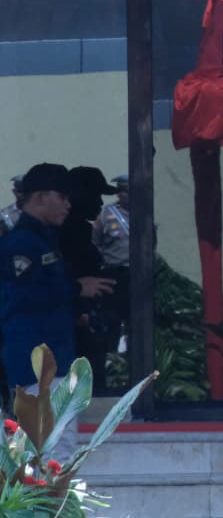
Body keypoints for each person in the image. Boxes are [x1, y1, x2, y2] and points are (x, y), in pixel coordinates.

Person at [0, 163, 114, 458]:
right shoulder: (21, 245)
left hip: (54, 360)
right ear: (40, 197)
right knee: (53, 455)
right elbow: (23, 297)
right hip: (36, 364)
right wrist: (77, 289)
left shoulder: (44, 240)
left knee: (54, 451)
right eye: (62, 197)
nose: (68, 204)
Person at [62, 166, 122, 391]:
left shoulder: (80, 230)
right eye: (95, 195)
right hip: (75, 326)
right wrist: (79, 311)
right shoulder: (68, 233)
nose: (100, 203)